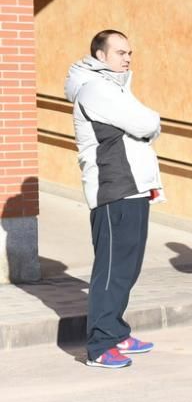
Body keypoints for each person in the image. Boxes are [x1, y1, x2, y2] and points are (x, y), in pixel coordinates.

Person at [65, 29, 164, 368]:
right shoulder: (96, 89)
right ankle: (99, 345)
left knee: (127, 268)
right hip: (113, 190)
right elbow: (146, 122)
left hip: (132, 187)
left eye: (130, 53)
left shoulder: (116, 88)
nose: (127, 58)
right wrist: (148, 123)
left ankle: (116, 332)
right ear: (100, 56)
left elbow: (143, 124)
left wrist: (145, 123)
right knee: (111, 271)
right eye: (120, 52)